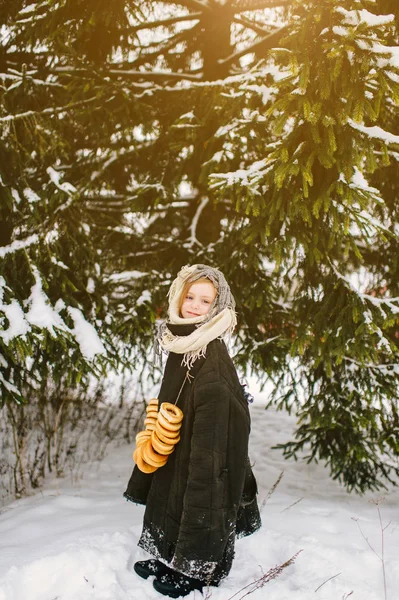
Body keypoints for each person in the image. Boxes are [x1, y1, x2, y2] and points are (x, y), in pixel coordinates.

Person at [124, 264, 261, 598]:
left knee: (205, 488)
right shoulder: (184, 340)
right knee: (173, 484)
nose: (194, 305)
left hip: (209, 435)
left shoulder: (209, 350)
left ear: (217, 307)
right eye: (190, 296)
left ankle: (200, 568)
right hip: (182, 434)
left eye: (205, 301)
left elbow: (220, 404)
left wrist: (206, 446)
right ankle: (172, 555)